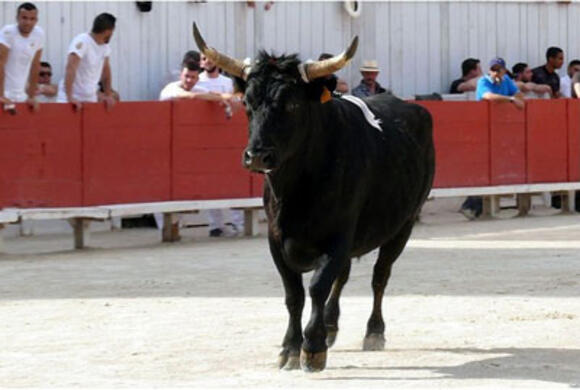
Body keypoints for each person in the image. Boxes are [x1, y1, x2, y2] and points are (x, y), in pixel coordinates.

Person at [460, 57, 525, 221]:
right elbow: (488, 96)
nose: (496, 72)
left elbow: (518, 93)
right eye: (493, 69)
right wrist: (511, 100)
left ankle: (477, 207)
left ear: (504, 70)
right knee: (483, 167)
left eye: (499, 69)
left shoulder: (507, 80)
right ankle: (471, 206)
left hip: (500, 131)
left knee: (493, 167)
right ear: (490, 70)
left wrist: (516, 97)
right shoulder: (484, 81)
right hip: (483, 130)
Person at [197, 54, 245, 237]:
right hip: (206, 138)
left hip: (229, 138)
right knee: (211, 182)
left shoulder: (227, 82)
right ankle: (214, 224)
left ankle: (237, 223)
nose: (207, 61)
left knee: (234, 180)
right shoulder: (198, 82)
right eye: (203, 58)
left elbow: (238, 101)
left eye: (210, 58)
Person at [57, 12, 116, 111]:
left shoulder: (105, 48)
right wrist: (69, 97)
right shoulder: (82, 41)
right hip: (71, 98)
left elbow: (106, 72)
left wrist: (108, 94)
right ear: (108, 31)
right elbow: (71, 68)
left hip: (90, 98)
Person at [0, 2, 44, 111]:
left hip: (21, 95)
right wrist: (1, 95)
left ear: (36, 20)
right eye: (24, 18)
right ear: (17, 18)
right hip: (4, 93)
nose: (28, 22)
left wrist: (31, 96)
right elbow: (1, 63)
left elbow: (35, 65)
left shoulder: (39, 34)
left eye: (32, 19)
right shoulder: (8, 32)